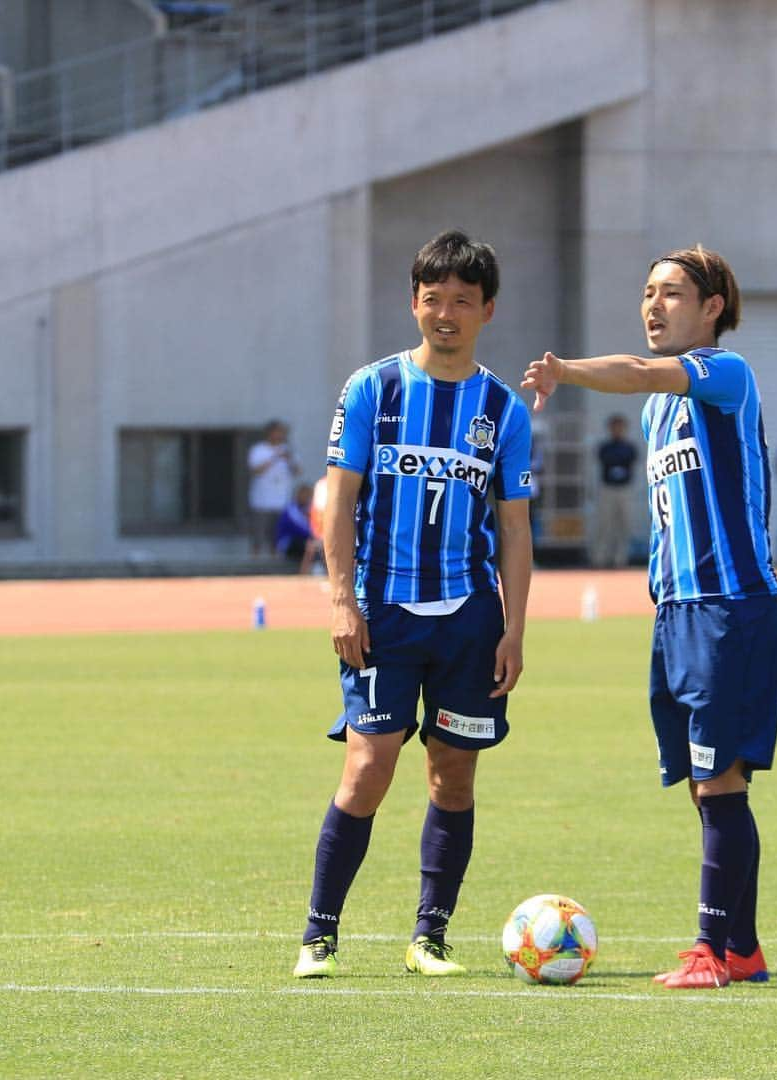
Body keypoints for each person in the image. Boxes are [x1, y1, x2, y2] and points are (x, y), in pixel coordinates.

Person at [522, 244, 777, 990]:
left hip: (730, 609)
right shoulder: (657, 407)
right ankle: (742, 948)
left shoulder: (724, 375)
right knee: (708, 785)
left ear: (712, 308)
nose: (653, 304)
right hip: (676, 615)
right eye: (647, 291)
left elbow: (636, 370)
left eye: (672, 292)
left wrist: (566, 370)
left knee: (721, 779)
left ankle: (710, 950)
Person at [292, 230, 533, 980]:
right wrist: (340, 601)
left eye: (463, 301)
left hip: (468, 620)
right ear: (414, 303)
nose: (446, 314)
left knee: (453, 774)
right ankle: (318, 935)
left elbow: (516, 530)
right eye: (434, 300)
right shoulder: (373, 389)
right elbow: (338, 500)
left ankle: (430, 936)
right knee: (368, 767)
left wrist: (514, 631)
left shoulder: (503, 408)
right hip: (382, 612)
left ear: (487, 310)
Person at [247, 420, 299, 556]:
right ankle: (255, 558)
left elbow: (297, 471)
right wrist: (275, 457)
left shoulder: (288, 450)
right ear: (269, 433)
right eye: (277, 432)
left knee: (276, 534)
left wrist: (289, 460)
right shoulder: (259, 450)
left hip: (282, 500)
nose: (279, 435)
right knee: (258, 533)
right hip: (262, 500)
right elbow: (256, 470)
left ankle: (275, 559)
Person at [592, 414, 638, 568]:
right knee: (604, 524)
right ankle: (600, 558)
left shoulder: (629, 447)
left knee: (624, 524)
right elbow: (606, 460)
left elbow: (629, 461)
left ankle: (621, 559)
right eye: (614, 427)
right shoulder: (604, 447)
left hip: (624, 489)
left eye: (620, 427)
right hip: (608, 489)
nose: (617, 430)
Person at [275, 482, 320, 574]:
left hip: (301, 542)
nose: (308, 498)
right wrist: (316, 537)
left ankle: (316, 569)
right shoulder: (291, 509)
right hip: (287, 544)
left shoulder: (307, 509)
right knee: (310, 545)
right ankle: (304, 574)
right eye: (306, 495)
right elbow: (302, 530)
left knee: (313, 545)